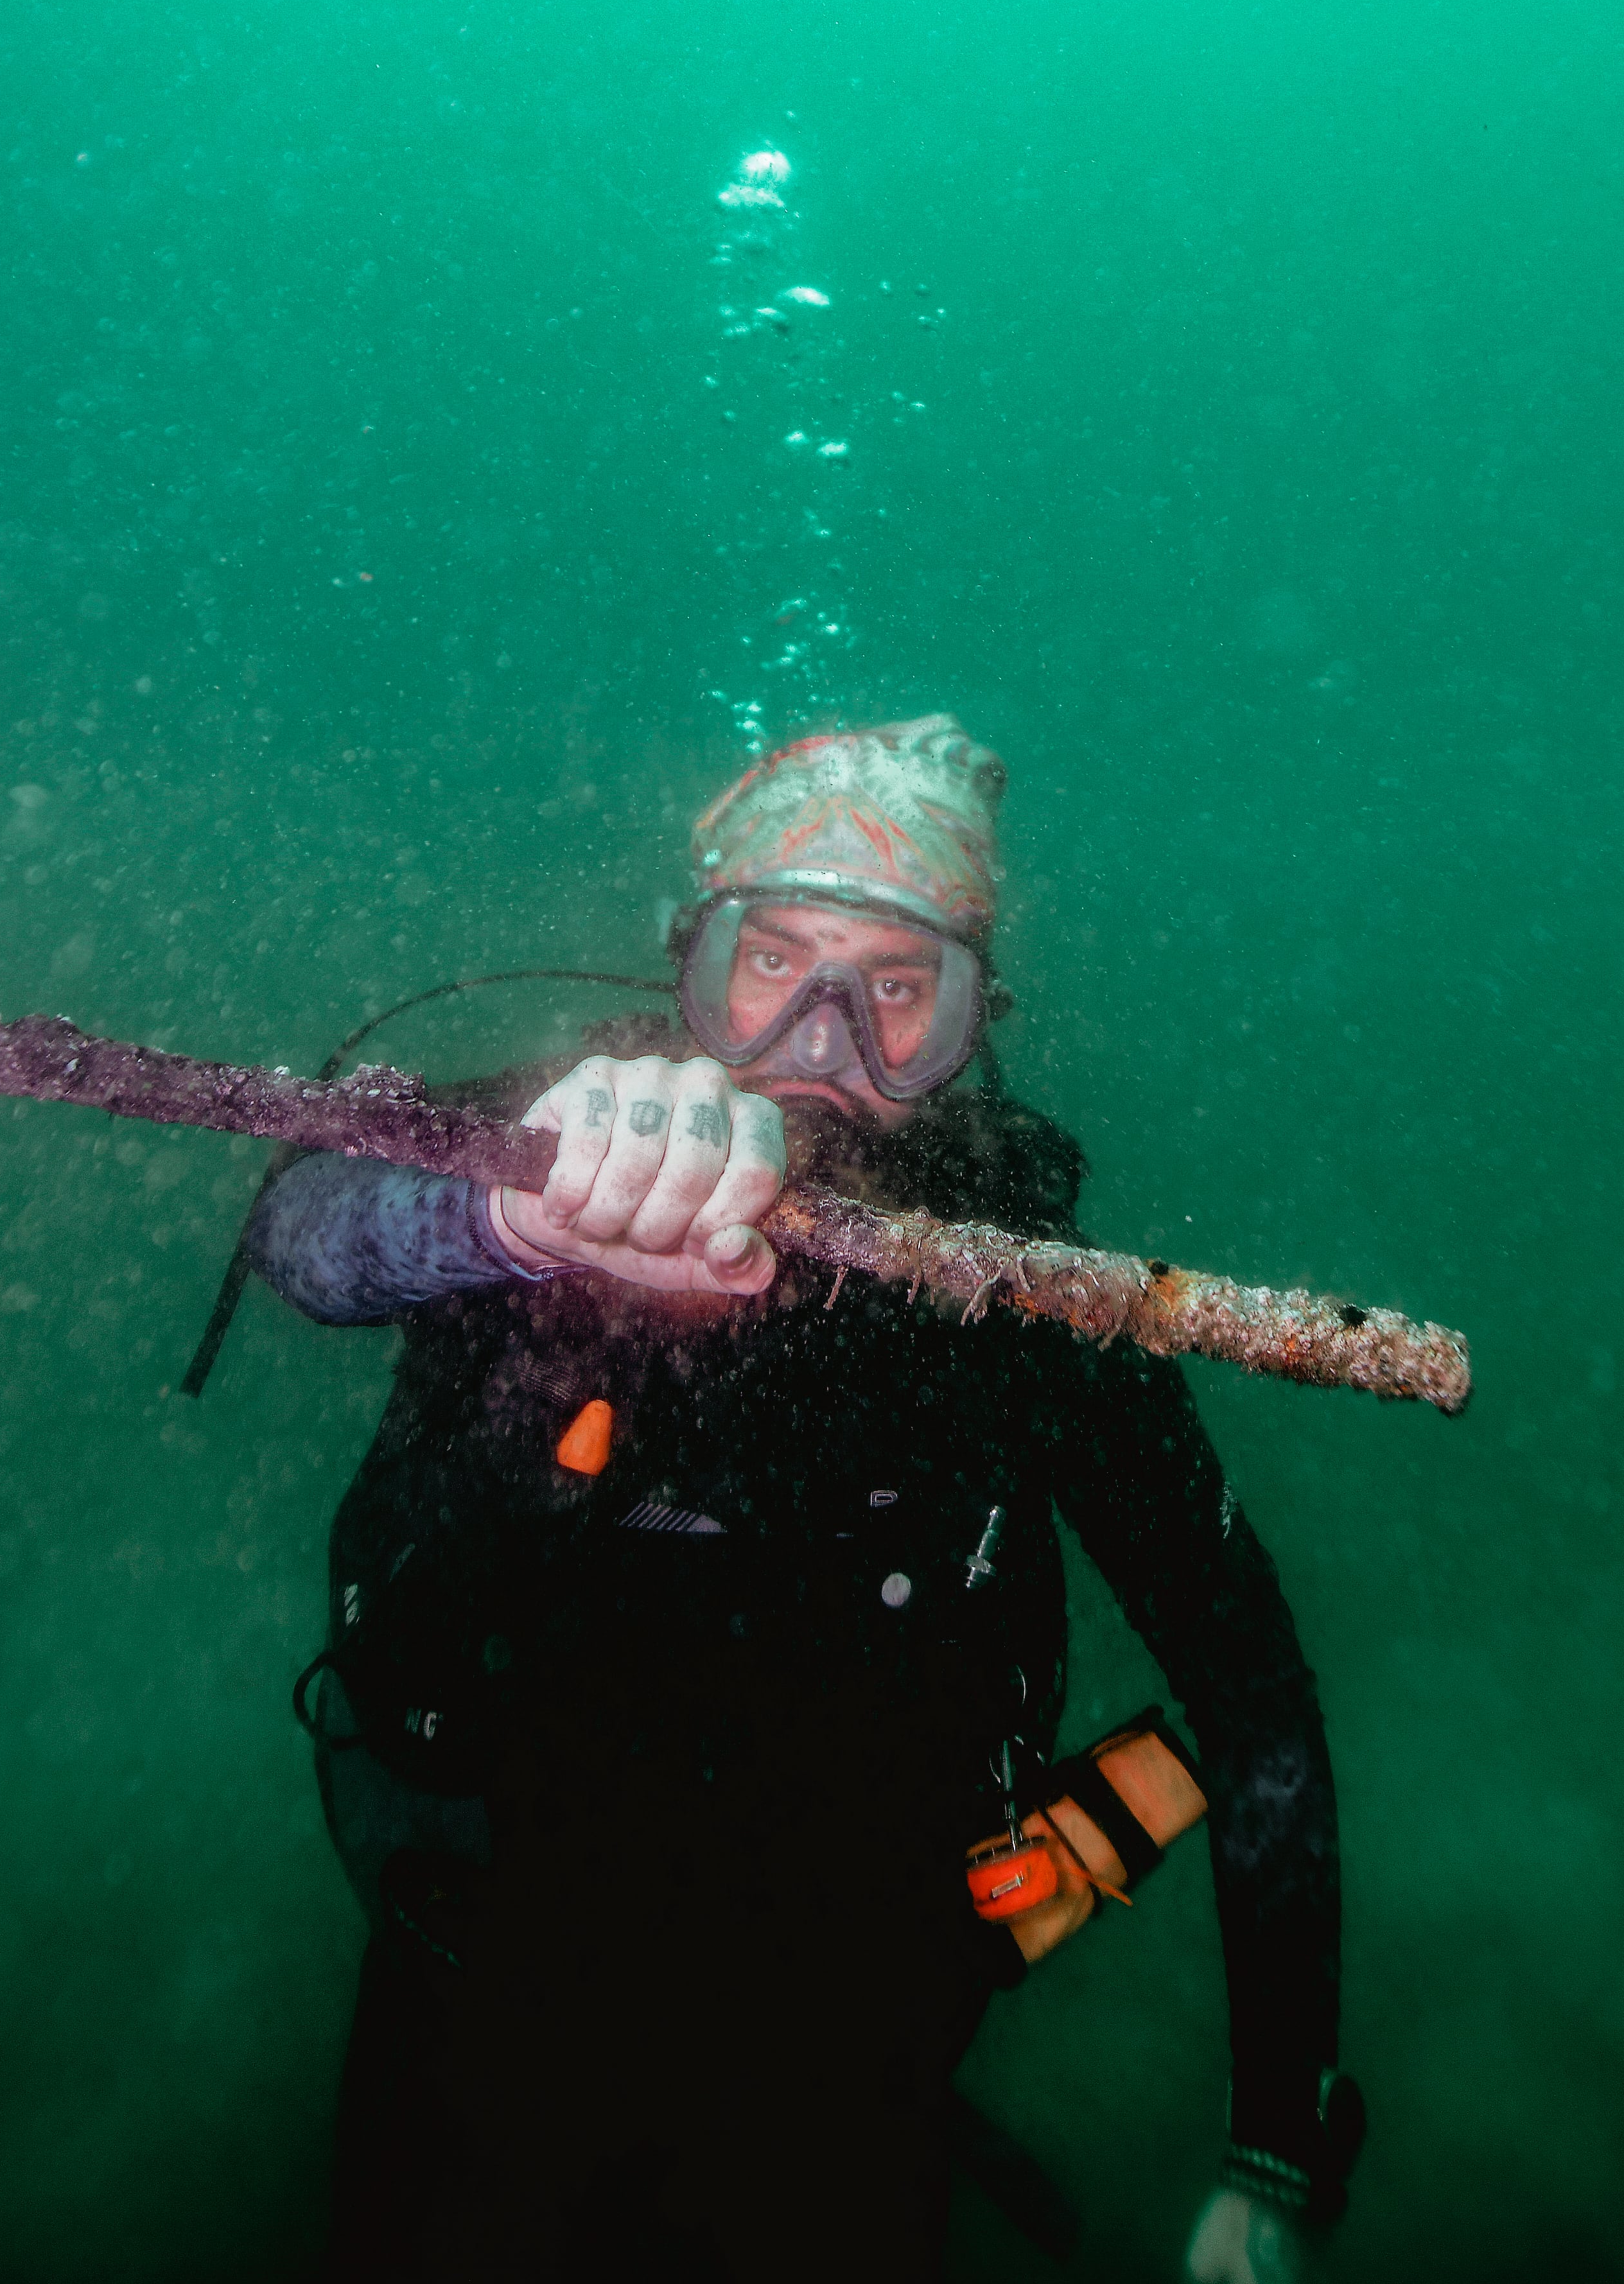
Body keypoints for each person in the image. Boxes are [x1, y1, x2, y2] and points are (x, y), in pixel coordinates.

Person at [247, 713, 1361, 2282]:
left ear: (969, 1023)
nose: (823, 1046)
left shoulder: (1024, 1299)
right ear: (689, 969)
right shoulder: (550, 1145)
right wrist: (508, 1223)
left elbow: (1248, 1689)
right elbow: (302, 1231)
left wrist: (1273, 2149)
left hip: (852, 2043)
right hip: (475, 1982)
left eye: (896, 991)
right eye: (772, 964)